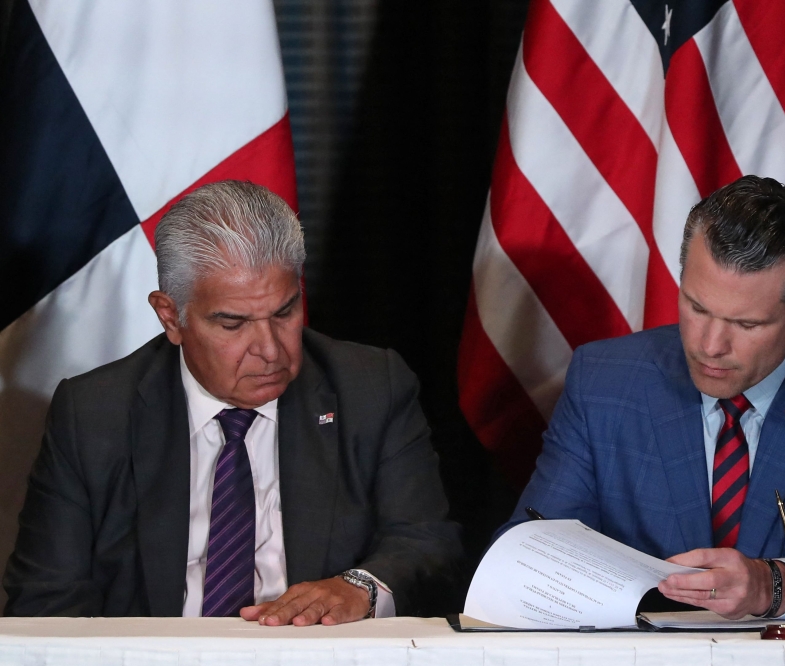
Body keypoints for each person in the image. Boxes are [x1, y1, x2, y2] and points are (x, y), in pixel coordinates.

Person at [4, 181, 462, 625]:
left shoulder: (370, 389)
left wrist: (361, 587)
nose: (270, 350)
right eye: (233, 324)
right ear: (171, 317)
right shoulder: (95, 413)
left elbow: (427, 543)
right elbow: (45, 599)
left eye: (284, 312)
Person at [498, 176, 785, 625]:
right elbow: (533, 545)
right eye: (697, 308)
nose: (710, 346)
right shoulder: (605, 381)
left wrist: (778, 583)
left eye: (747, 325)